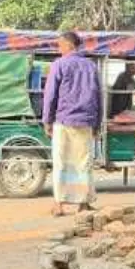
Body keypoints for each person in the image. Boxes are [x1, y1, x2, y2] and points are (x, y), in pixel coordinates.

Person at [41, 30, 101, 216]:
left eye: (60, 45)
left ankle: (59, 204)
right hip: (85, 120)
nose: (58, 49)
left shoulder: (59, 64)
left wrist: (47, 120)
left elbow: (50, 95)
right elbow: (99, 96)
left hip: (64, 120)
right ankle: (83, 203)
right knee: (83, 162)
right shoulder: (90, 66)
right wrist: (97, 123)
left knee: (61, 162)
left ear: (68, 45)